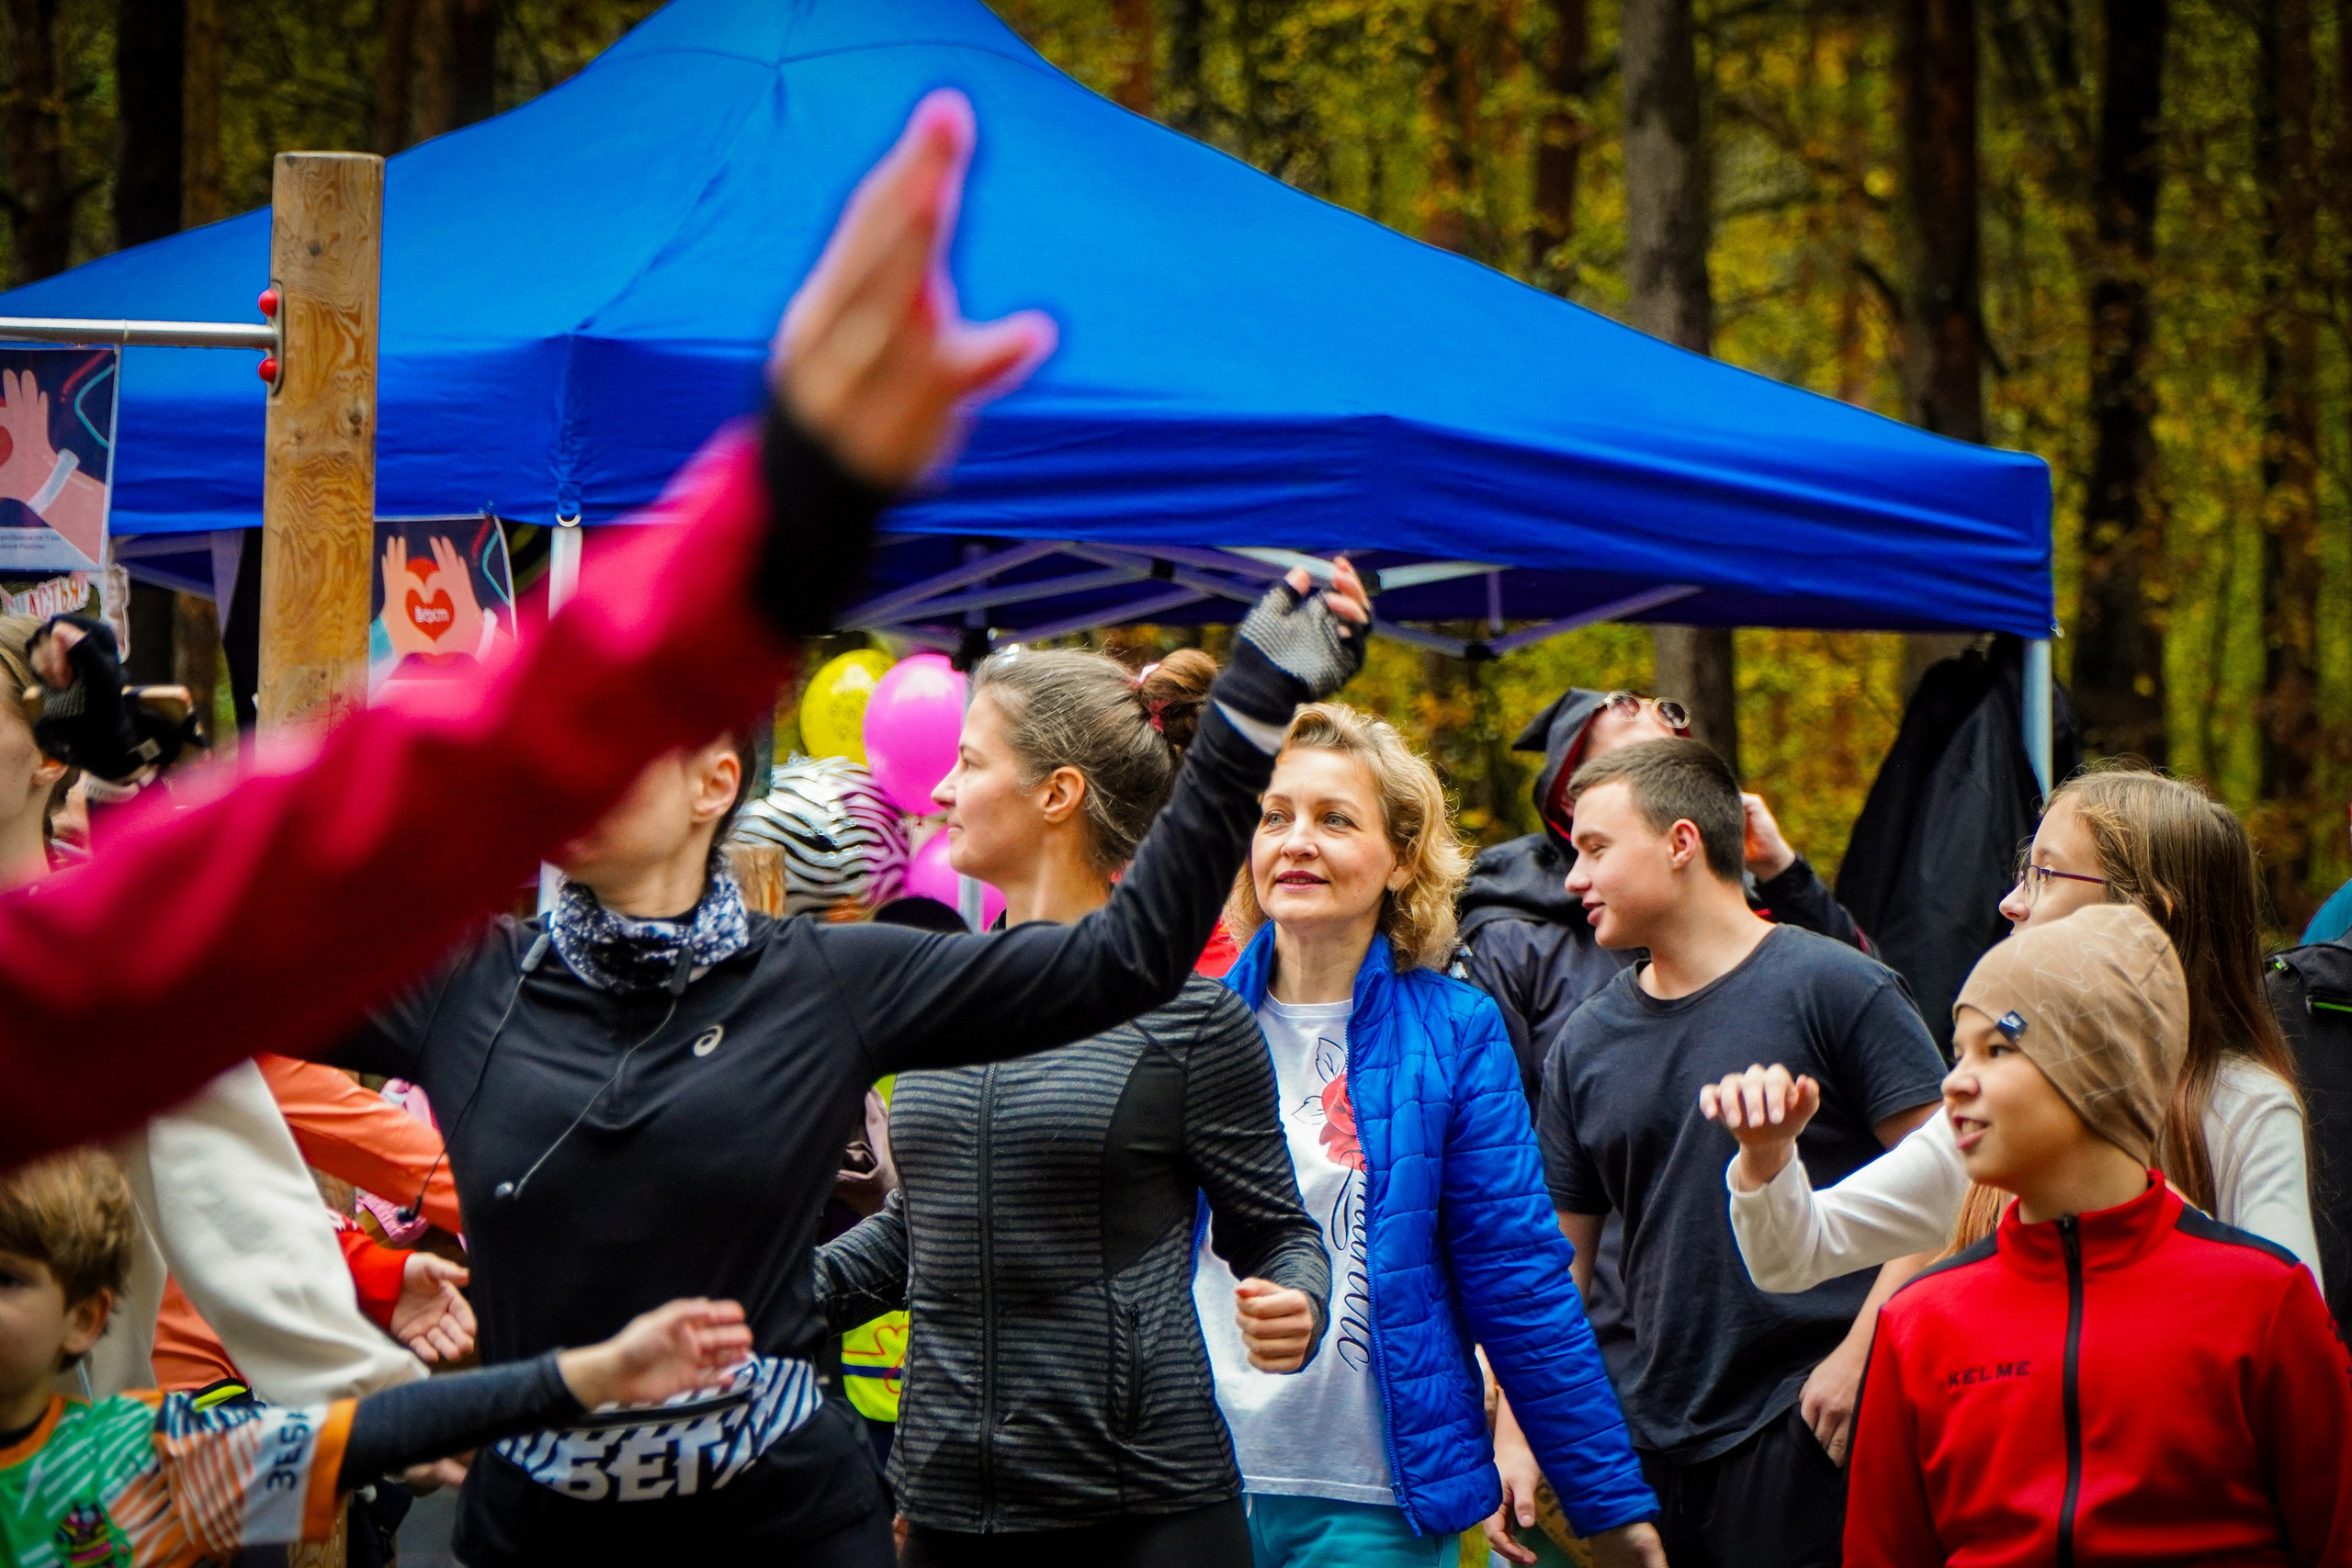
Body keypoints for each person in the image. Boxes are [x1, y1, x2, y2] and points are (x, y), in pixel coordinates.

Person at [0, 88, 1052, 1167]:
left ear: (720, 785)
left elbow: (310, 862)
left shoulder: (811, 978)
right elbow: (277, 933)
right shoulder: (485, 986)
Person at [328, 568, 1365, 1562]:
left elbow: (1128, 968)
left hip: (1097, 1501)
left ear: (714, 782)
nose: (583, 760)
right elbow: (925, 1231)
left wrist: (1253, 701)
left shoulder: (842, 981)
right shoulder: (476, 988)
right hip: (899, 1499)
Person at [815, 649, 1332, 1568]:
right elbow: (918, 1232)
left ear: (1057, 794)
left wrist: (1298, 1297)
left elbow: (1278, 1235)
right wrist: (745, 1296)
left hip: (1144, 1518)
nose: (937, 790)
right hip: (945, 1512)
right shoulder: (930, 995)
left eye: (970, 763)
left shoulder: (1189, 1018)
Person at [1197, 704, 1663, 1568]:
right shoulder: (1189, 1027)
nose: (1296, 840)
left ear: (1401, 858)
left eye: (1335, 819)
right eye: (1275, 816)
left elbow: (1521, 1281)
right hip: (1188, 1489)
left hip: (1376, 1498)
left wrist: (1608, 1506)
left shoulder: (1456, 1030)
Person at [1528, 738, 1947, 1568]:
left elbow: (1963, 1183)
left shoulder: (1838, 986)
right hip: (1658, 1444)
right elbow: (1552, 1274)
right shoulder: (1584, 1040)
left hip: (1821, 1427)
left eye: (1596, 849)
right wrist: (1547, 1441)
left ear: (1682, 843)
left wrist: (1860, 1357)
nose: (1573, 878)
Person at [1844, 905, 2352, 1566]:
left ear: (2100, 1068)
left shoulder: (2264, 1300)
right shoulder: (1918, 1322)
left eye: (1998, 1048)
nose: (1954, 1081)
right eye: (1957, 1051)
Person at [1706, 766, 2323, 1295]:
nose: (2010, 901)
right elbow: (1796, 1254)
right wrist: (1766, 1155)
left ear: (2144, 914)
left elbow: (2291, 1328)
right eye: (2023, 872)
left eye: (2045, 875)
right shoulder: (1996, 1095)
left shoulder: (2245, 1106)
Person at [0, 1147, 760, 1566]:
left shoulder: (140, 1461)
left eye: (6, 1278)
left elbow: (382, 1428)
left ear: (85, 1316)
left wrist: (597, 1370)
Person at [1456, 687, 1866, 1104]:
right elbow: (1490, 1123)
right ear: (1570, 791)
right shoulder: (1509, 932)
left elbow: (1861, 1012)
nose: (1660, 787)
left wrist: (1782, 873)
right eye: (1636, 763)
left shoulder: (1739, 905)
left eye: (1671, 766)